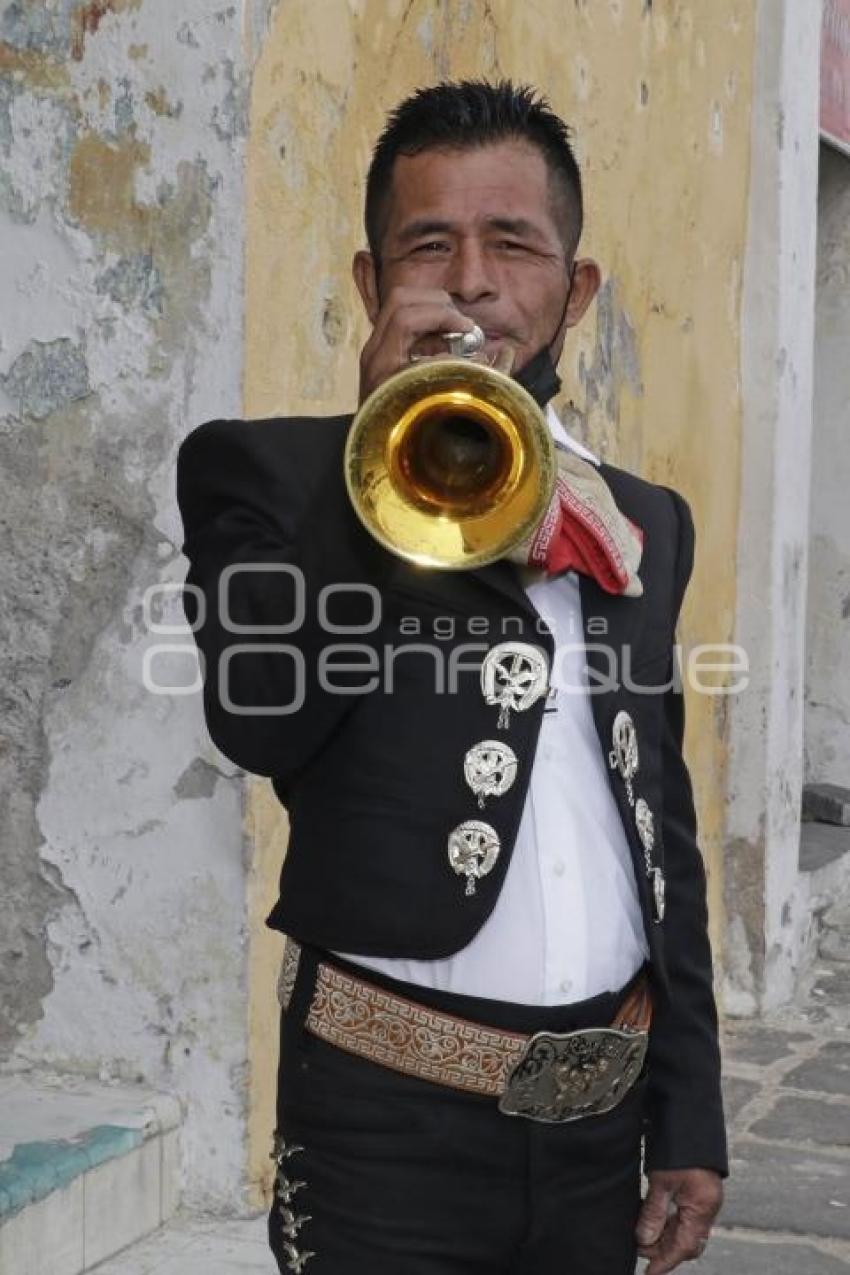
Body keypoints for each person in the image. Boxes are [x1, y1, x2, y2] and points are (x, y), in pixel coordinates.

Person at [177, 80, 727, 1275]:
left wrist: (689, 1112)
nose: (472, 281)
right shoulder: (265, 476)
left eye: (513, 243)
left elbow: (659, 828)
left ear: (571, 291)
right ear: (372, 285)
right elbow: (261, 722)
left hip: (601, 1126)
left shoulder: (639, 521)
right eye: (429, 244)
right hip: (382, 1123)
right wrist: (380, 469)